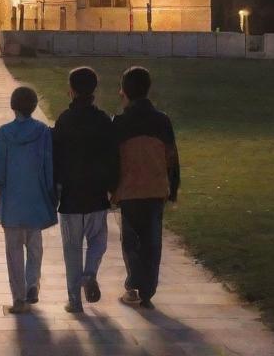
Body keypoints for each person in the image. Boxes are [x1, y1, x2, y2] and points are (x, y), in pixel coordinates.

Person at [111, 66, 180, 309]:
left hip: (129, 191)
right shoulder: (162, 121)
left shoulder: (119, 122)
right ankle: (148, 290)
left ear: (124, 92)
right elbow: (171, 156)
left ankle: (133, 285)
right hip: (155, 189)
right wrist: (173, 186)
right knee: (152, 240)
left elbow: (113, 159)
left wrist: (111, 189)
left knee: (131, 241)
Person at [52, 66, 119, 313]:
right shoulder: (103, 120)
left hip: (70, 196)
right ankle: (89, 274)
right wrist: (113, 186)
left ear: (70, 90)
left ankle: (74, 300)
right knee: (97, 241)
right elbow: (113, 156)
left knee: (71, 248)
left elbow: (56, 157)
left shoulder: (64, 120)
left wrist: (55, 187)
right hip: (96, 194)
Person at [0, 85, 57, 313]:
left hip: (12, 202)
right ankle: (32, 284)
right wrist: (50, 192)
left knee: (14, 250)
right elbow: (49, 165)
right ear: (34, 105)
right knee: (35, 246)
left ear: (13, 106)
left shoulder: (4, 133)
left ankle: (18, 296)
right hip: (36, 198)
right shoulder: (43, 132)